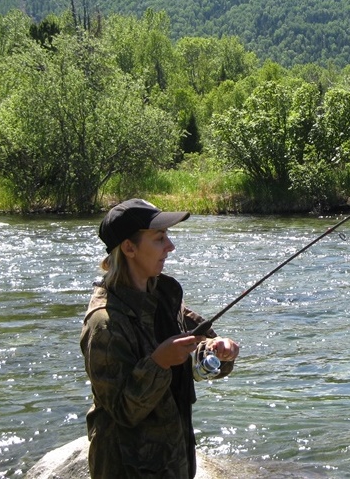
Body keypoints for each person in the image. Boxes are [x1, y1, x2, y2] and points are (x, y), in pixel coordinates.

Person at [80, 198, 239, 478]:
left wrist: (217, 350)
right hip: (125, 470)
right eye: (159, 238)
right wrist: (159, 363)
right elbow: (123, 411)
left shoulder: (164, 295)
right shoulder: (104, 323)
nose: (170, 246)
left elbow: (196, 345)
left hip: (175, 462)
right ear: (129, 248)